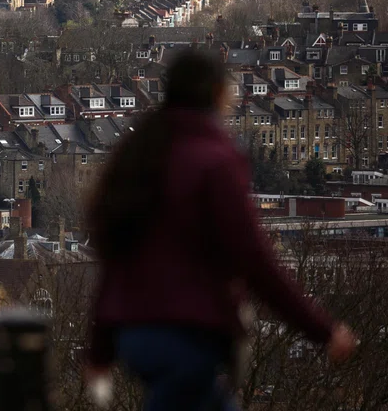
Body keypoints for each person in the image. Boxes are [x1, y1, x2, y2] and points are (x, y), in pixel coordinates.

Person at [84, 49, 356, 410]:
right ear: (217, 94)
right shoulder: (214, 159)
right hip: (187, 335)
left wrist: (100, 350)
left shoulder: (138, 153)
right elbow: (254, 258)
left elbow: (116, 258)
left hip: (136, 336)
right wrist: (322, 330)